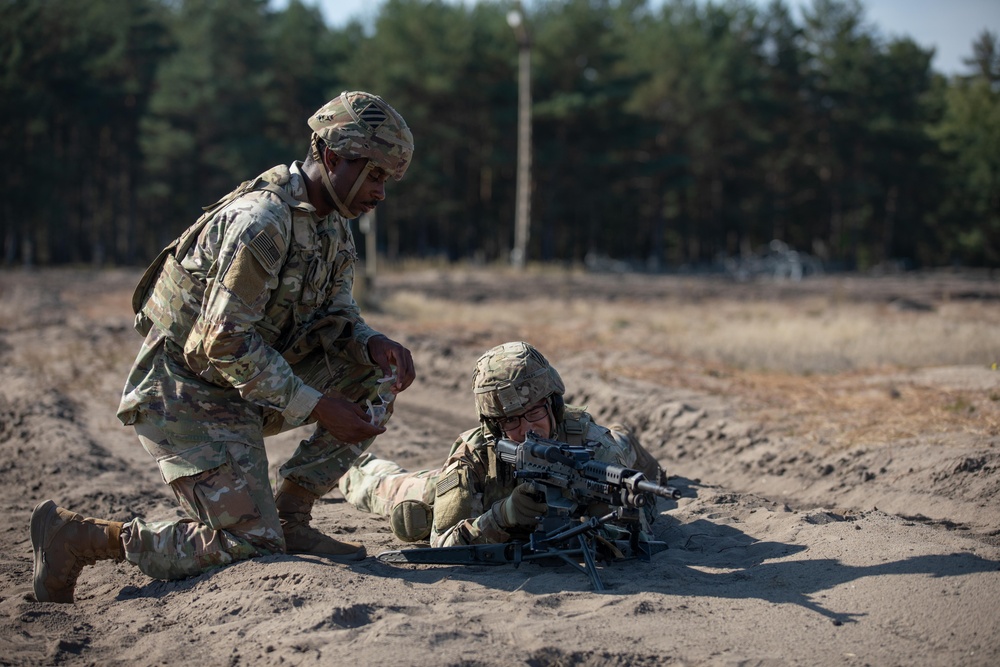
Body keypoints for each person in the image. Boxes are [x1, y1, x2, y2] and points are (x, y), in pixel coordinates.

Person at [31, 91, 416, 604]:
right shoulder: (262, 223)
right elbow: (224, 343)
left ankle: (292, 514)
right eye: (374, 175)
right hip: (185, 392)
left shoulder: (332, 228)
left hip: (242, 384)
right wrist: (319, 405)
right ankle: (81, 540)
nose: (381, 193)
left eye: (386, 180)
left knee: (374, 380)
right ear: (329, 157)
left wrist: (373, 345)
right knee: (251, 545)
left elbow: (336, 317)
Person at [339, 341, 667, 547]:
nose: (526, 429)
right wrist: (502, 517)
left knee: (623, 446)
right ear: (493, 426)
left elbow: (637, 535)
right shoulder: (475, 452)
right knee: (397, 493)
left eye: (534, 412)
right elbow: (444, 542)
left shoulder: (597, 448)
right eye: (511, 420)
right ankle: (350, 466)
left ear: (553, 404)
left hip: (608, 450)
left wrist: (596, 519)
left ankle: (628, 439)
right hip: (483, 497)